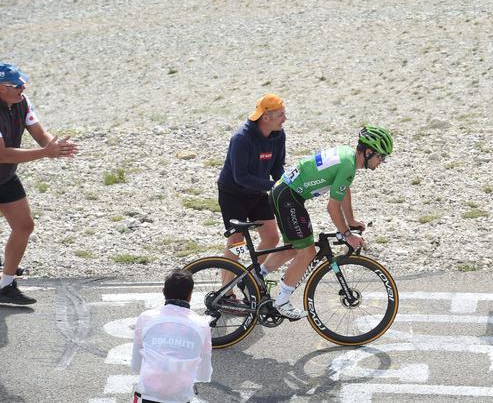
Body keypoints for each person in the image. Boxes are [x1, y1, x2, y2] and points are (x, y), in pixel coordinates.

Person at [260, 125, 393, 319]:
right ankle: (282, 301)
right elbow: (332, 207)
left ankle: (255, 279)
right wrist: (347, 235)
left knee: (292, 249)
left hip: (284, 192)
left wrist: (351, 221)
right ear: (368, 151)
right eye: (380, 157)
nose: (381, 162)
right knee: (307, 252)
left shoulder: (347, 156)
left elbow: (343, 189)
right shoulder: (348, 165)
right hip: (289, 197)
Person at [0, 63, 78, 305]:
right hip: (4, 164)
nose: (24, 87)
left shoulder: (22, 101)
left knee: (24, 225)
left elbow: (40, 134)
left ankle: (6, 285)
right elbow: (3, 154)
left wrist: (56, 146)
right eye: (18, 85)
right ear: (2, 88)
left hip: (4, 177)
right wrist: (46, 152)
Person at [217, 93, 286, 265]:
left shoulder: (278, 136)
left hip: (257, 193)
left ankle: (249, 277)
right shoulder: (241, 138)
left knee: (272, 238)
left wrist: (286, 185)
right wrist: (273, 185)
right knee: (237, 243)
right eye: (281, 115)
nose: (285, 119)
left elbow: (277, 168)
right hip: (233, 195)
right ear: (265, 117)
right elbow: (240, 177)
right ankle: (228, 290)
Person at [131, 268, 212, 403]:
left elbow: (135, 366)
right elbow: (204, 375)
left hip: (149, 395)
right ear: (190, 295)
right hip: (180, 396)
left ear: (163, 292)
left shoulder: (146, 318)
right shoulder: (202, 325)